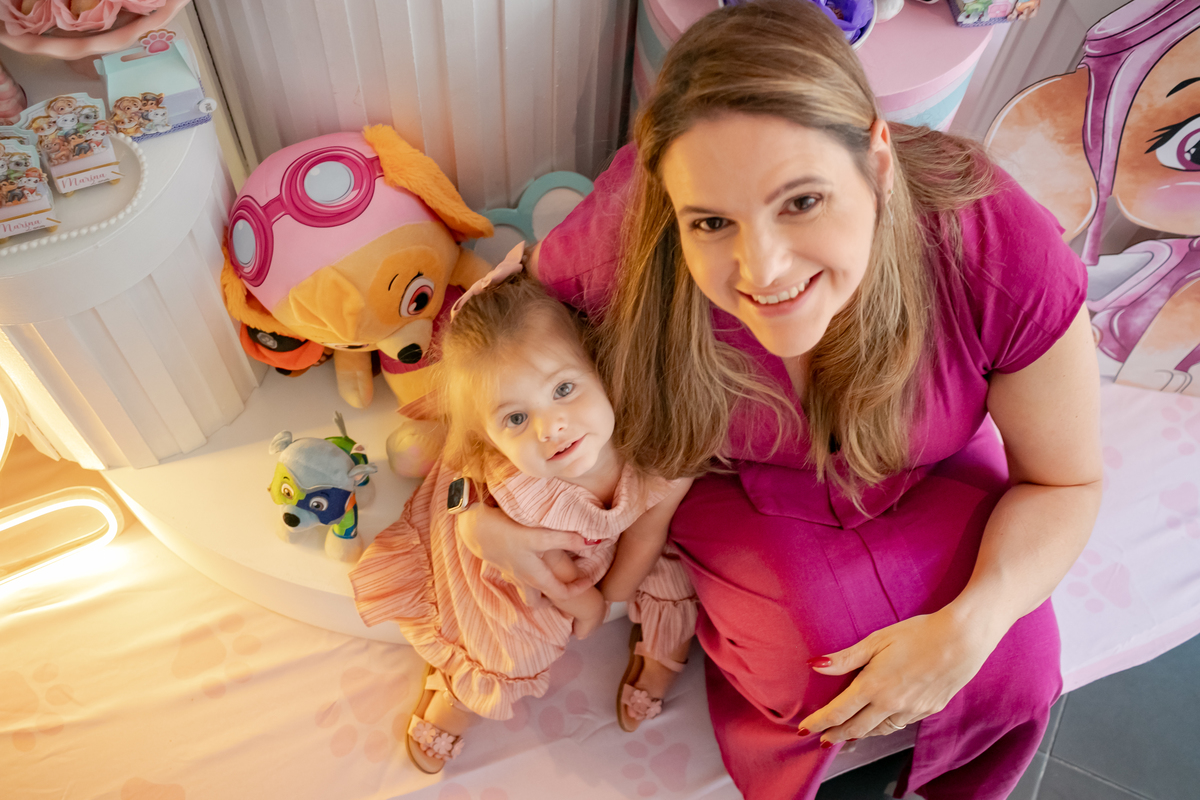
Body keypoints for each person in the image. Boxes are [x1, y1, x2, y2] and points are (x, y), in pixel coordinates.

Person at [454, 2, 1103, 798]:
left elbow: (1068, 481)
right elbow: (493, 354)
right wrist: (471, 510)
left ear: (878, 160)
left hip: (933, 469)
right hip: (736, 489)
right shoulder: (617, 248)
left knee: (1015, 670)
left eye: (801, 201)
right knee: (813, 666)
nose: (763, 270)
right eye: (711, 222)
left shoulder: (995, 240)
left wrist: (975, 622)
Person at [348, 246, 696, 774]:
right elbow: (557, 582)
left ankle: (663, 646)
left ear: (600, 367)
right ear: (490, 438)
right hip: (531, 560)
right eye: (515, 419)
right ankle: (465, 683)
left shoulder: (657, 452)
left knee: (676, 571)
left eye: (564, 389)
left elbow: (649, 529)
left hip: (609, 539)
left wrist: (614, 595)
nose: (550, 428)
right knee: (514, 634)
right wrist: (589, 607)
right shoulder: (525, 488)